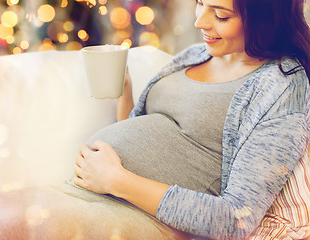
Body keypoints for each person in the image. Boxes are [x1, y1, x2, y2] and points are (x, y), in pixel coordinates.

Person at [72, 0, 310, 239]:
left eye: (220, 15)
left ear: (264, 18)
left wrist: (116, 181)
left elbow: (236, 219)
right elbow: (148, 135)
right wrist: (124, 92)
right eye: (200, 3)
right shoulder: (196, 54)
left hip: (133, 217)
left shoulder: (282, 86)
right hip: (89, 194)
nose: (200, 22)